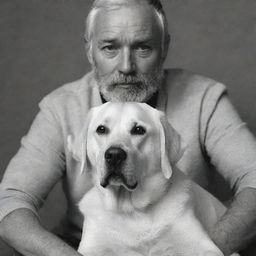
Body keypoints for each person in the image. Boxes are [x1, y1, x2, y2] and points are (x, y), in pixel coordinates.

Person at [0, 0, 256, 255]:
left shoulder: (204, 99)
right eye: (110, 47)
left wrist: (204, 248)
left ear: (164, 47)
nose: (126, 67)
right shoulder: (61, 108)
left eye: (142, 47)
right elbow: (9, 201)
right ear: (90, 51)